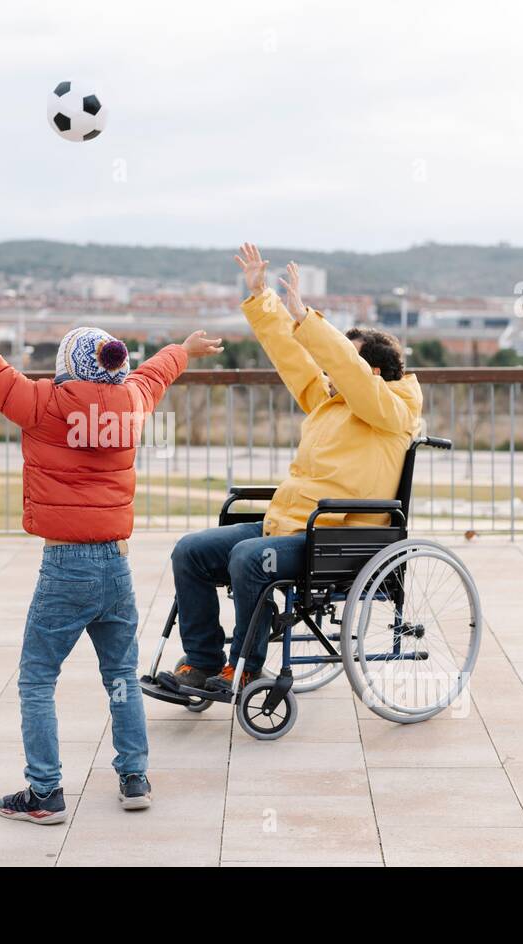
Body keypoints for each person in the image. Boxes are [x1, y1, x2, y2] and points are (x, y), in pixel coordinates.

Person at [0, 262, 223, 824]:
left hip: (64, 564)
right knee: (121, 678)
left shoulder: (40, 404)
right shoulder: (131, 404)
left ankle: (45, 793)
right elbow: (152, 377)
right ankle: (134, 777)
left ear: (65, 367)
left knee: (38, 678)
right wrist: (181, 349)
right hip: (117, 563)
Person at [159, 243, 422, 696]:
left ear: (373, 371)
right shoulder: (332, 402)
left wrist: (306, 317)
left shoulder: (394, 409)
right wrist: (264, 298)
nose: (330, 370)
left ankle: (244, 668)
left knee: (247, 559)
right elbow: (294, 358)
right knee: (190, 551)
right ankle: (203, 662)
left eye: (343, 361)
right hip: (293, 525)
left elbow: (351, 374)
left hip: (339, 537)